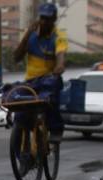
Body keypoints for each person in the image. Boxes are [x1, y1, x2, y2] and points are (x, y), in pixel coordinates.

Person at [13, 3, 68, 141]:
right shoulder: (31, 35)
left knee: (50, 99)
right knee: (17, 102)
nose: (44, 22)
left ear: (54, 19)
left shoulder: (59, 36)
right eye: (42, 18)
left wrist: (59, 67)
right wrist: (27, 35)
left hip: (49, 79)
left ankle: (56, 129)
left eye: (48, 19)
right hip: (31, 81)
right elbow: (16, 58)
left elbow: (60, 56)